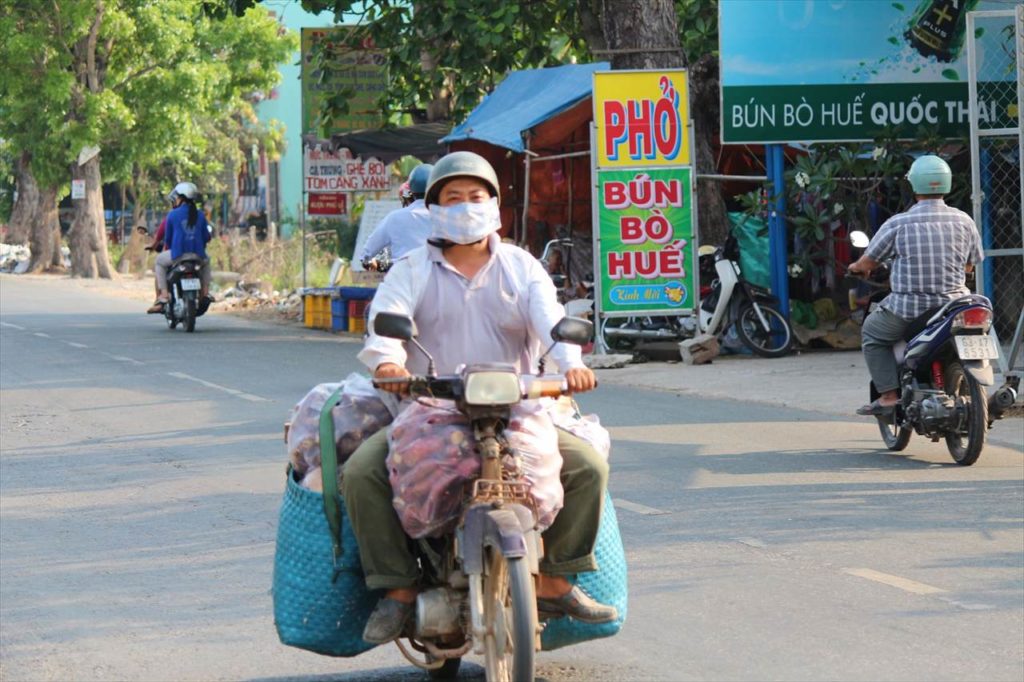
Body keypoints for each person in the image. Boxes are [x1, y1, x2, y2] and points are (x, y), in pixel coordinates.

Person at [343, 151, 617, 644]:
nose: (466, 206)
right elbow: (386, 322)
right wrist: (388, 362)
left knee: (588, 466)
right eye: (453, 198)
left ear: (494, 205)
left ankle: (556, 578)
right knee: (363, 472)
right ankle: (399, 591)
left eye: (476, 196)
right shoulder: (410, 269)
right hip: (430, 410)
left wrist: (572, 366)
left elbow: (552, 322)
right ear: (434, 209)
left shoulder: (520, 267)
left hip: (516, 408)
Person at [848, 154, 983, 416]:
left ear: (914, 186)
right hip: (953, 307)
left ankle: (888, 396)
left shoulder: (898, 223)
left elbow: (867, 263)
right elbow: (970, 266)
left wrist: (855, 268)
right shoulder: (965, 221)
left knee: (872, 334)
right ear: (947, 184)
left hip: (908, 309)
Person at [147, 182, 213, 314]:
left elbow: (168, 240)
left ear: (181, 197)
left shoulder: (172, 214)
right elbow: (207, 237)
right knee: (207, 261)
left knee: (159, 262)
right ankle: (205, 293)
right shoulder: (200, 215)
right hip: (198, 256)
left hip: (178, 256)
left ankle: (164, 295)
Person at [359, 164, 434, 267]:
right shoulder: (448, 218)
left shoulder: (394, 218)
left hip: (402, 280)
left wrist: (388, 266)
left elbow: (366, 257)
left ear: (411, 191)